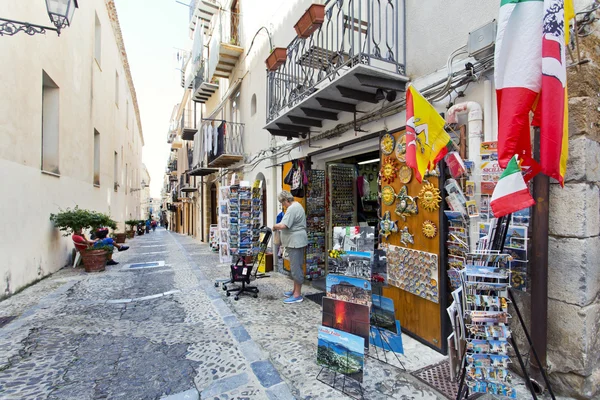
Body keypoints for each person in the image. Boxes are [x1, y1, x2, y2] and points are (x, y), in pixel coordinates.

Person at [273, 190, 307, 304]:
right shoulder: (297, 206)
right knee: (294, 267)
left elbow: (284, 225)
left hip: (295, 242)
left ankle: (297, 295)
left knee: (296, 268)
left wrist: (274, 226)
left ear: (286, 200)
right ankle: (294, 291)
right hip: (295, 241)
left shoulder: (292, 208)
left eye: (283, 203)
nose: (283, 206)